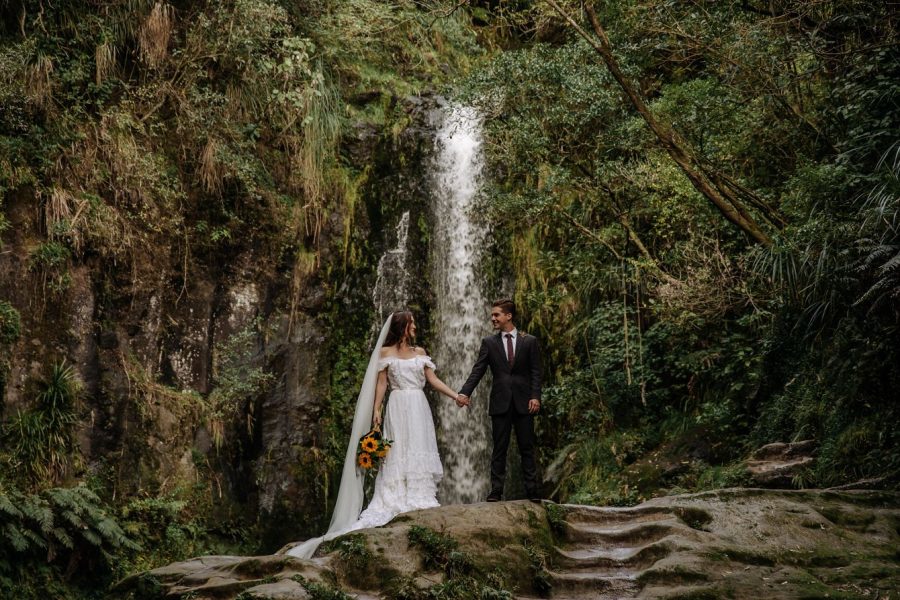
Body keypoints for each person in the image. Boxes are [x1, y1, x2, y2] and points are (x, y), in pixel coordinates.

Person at [287, 311, 460, 558]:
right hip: (398, 406)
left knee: (418, 446)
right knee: (398, 449)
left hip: (418, 406)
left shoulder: (420, 353)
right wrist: (377, 410)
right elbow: (381, 384)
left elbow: (433, 380)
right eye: (411, 323)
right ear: (403, 327)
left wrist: (456, 396)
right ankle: (396, 496)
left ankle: (420, 494)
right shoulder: (385, 353)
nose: (415, 327)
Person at [457, 299, 543, 503]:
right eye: (492, 315)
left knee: (527, 447)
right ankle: (496, 491)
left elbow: (536, 372)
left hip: (524, 401)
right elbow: (478, 370)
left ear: (508, 316)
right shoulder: (489, 342)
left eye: (496, 315)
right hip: (500, 402)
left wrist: (535, 396)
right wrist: (464, 392)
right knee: (499, 448)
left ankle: (532, 491)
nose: (493, 318)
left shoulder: (529, 341)